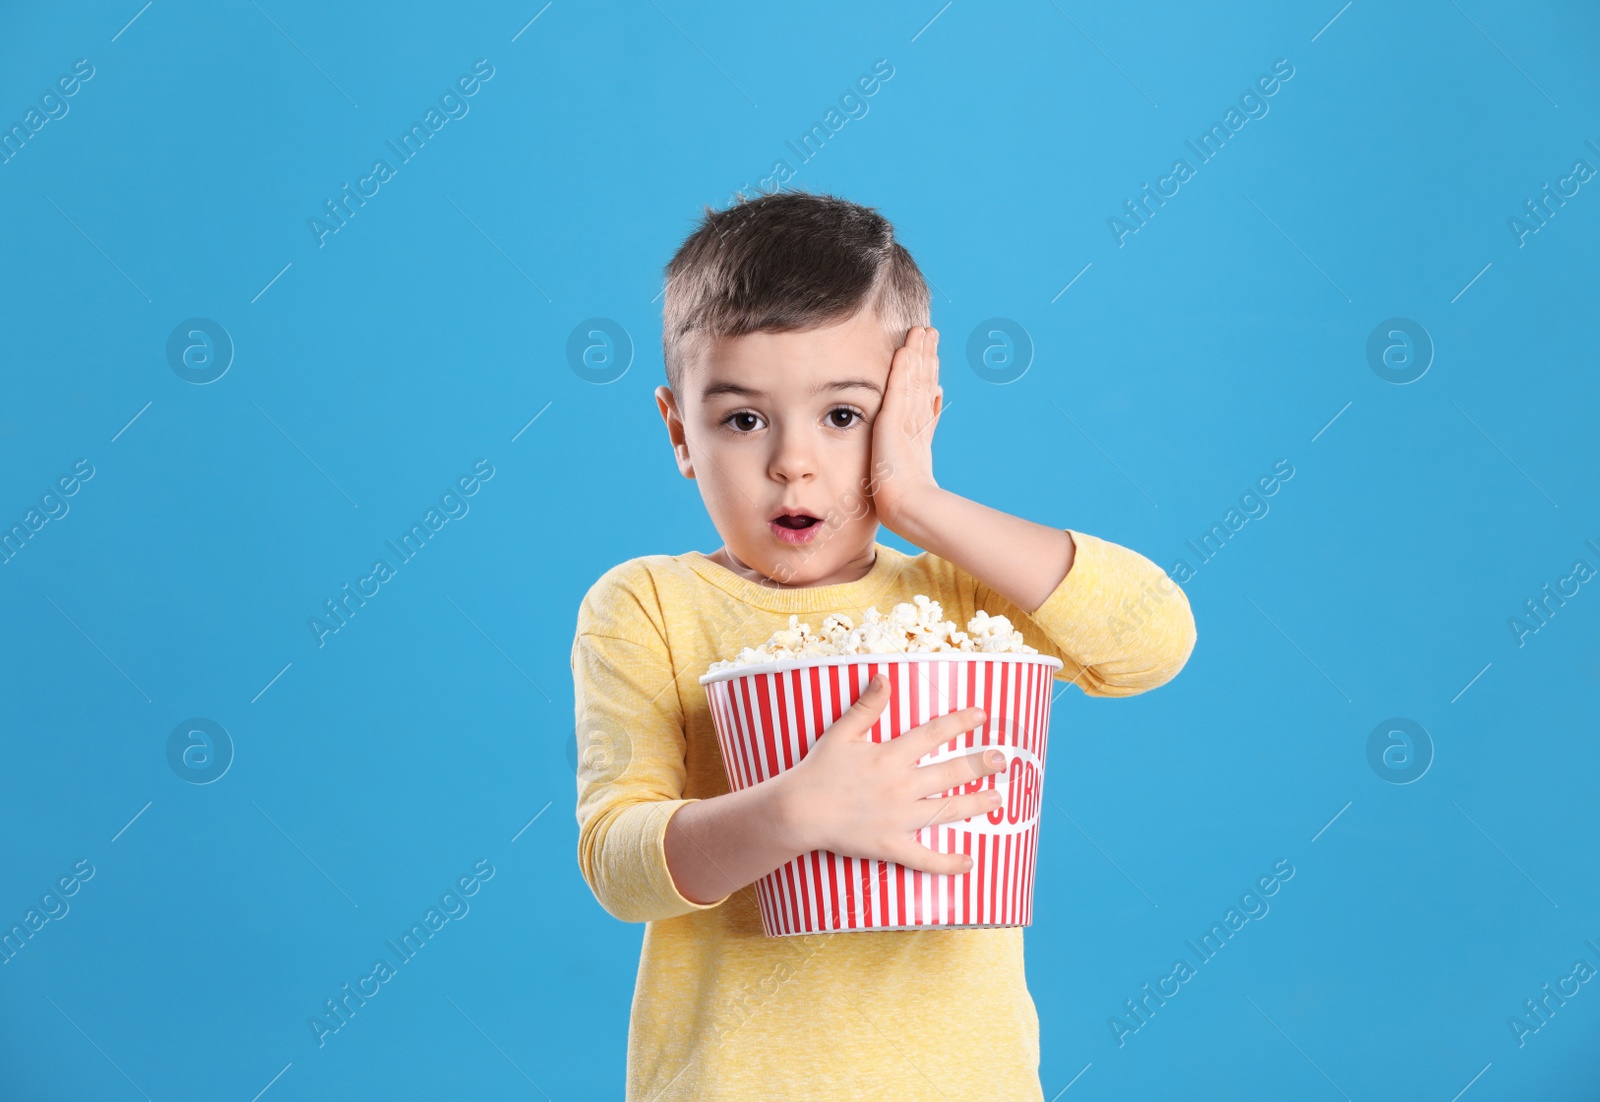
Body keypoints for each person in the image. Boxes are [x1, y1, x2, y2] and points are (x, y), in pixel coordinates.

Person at [571, 189, 1197, 1100]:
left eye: (844, 416)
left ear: (913, 416)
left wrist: (923, 504)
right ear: (680, 431)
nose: (794, 462)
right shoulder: (649, 608)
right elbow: (617, 863)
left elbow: (1154, 640)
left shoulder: (959, 594)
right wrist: (788, 814)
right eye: (744, 419)